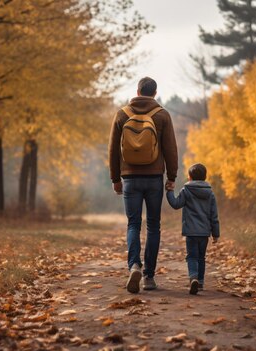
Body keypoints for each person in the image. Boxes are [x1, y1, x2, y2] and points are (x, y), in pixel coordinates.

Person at [108, 77, 178, 293]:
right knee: (153, 225)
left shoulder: (122, 114)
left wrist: (115, 179)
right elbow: (170, 149)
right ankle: (148, 277)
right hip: (154, 178)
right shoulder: (162, 115)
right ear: (154, 93)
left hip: (129, 178)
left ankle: (134, 266)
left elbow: (112, 149)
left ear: (137, 91)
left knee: (133, 224)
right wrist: (172, 177)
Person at [166, 163, 220, 295]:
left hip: (191, 231)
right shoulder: (210, 193)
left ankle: (193, 277)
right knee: (201, 257)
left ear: (189, 177)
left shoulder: (186, 191)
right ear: (205, 177)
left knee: (192, 257)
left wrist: (169, 191)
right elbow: (214, 215)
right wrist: (216, 234)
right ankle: (200, 282)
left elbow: (176, 204)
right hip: (204, 233)